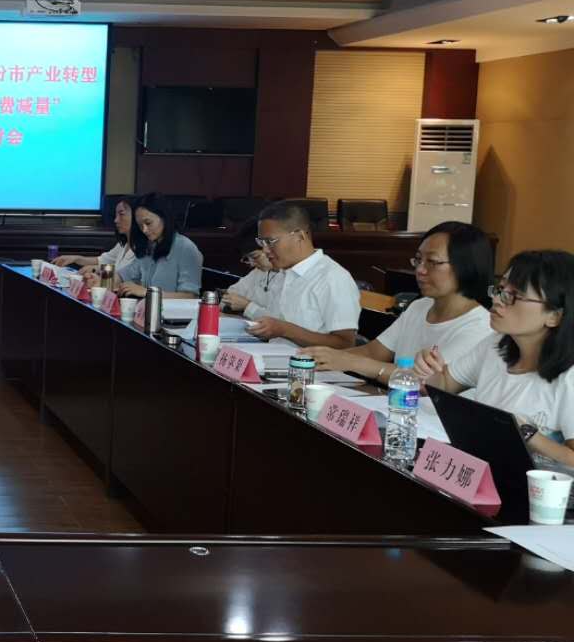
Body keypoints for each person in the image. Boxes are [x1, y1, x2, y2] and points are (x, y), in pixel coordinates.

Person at [417, 249, 574, 472]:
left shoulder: (569, 376)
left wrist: (526, 433)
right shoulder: (496, 345)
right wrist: (430, 369)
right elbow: (444, 384)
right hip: (483, 470)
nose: (497, 300)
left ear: (554, 316)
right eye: (500, 290)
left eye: (514, 295)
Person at [303, 222, 493, 384]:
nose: (420, 270)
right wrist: (325, 357)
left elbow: (428, 381)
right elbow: (374, 351)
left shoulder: (480, 328)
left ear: (467, 266)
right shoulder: (420, 306)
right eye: (418, 260)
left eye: (432, 262)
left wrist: (352, 362)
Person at [240, 200, 360, 348]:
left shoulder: (333, 278)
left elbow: (345, 343)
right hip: (273, 354)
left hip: (308, 362)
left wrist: (285, 330)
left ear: (299, 236)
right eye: (261, 242)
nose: (265, 250)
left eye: (270, 241)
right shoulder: (282, 273)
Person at [114, 193, 202, 299]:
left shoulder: (186, 248)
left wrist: (147, 292)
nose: (144, 230)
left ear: (164, 218)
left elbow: (190, 296)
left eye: (148, 223)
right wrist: (103, 278)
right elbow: (124, 274)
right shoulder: (150, 246)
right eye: (140, 226)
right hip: (148, 307)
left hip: (172, 310)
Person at [54, 197, 135, 275]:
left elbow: (126, 275)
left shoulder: (141, 250)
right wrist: (76, 258)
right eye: (116, 215)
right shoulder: (123, 244)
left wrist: (96, 269)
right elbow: (102, 260)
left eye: (121, 214)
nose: (116, 220)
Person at [220, 223, 284, 317]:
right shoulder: (257, 273)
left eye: (255, 257)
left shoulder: (291, 276)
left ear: (268, 249)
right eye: (247, 259)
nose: (252, 264)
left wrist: (247, 306)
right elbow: (228, 297)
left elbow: (280, 321)